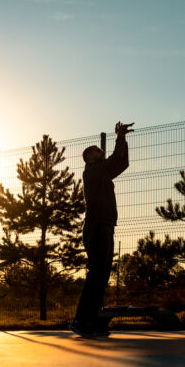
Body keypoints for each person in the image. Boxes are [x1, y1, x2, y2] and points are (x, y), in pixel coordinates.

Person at [70, 120, 133, 337]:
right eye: (98, 151)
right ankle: (81, 320)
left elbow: (121, 163)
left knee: (103, 273)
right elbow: (115, 160)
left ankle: (93, 320)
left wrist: (123, 139)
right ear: (89, 157)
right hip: (96, 226)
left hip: (105, 225)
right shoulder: (92, 171)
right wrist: (120, 137)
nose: (101, 152)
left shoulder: (101, 173)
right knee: (97, 272)